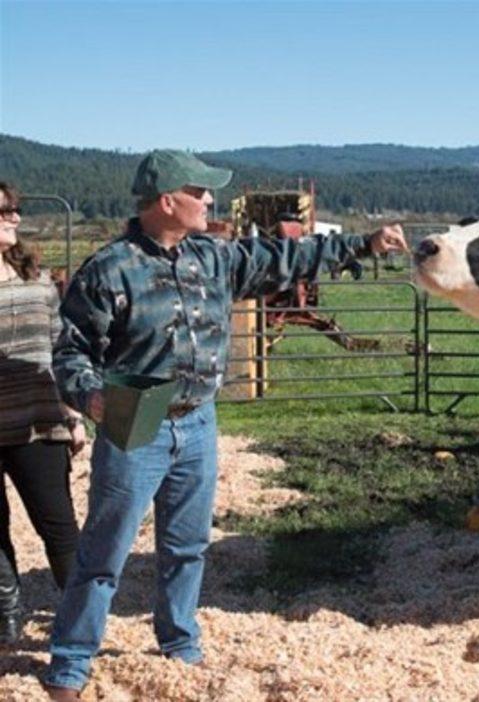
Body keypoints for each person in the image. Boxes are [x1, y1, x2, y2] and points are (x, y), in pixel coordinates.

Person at [41, 150, 408, 700]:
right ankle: (71, 662)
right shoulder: (108, 269)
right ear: (168, 201)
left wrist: (361, 243)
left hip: (198, 423)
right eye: (201, 191)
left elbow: (287, 256)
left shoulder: (214, 257)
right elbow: (69, 351)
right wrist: (93, 398)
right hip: (133, 422)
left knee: (188, 545)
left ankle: (179, 639)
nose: (210, 199)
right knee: (104, 552)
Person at [0, 182, 84, 646]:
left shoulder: (37, 279)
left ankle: (76, 619)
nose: (14, 217)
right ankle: (6, 620)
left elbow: (63, 348)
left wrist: (72, 413)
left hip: (38, 420)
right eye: (4, 210)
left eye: (14, 209)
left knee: (58, 526)